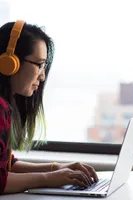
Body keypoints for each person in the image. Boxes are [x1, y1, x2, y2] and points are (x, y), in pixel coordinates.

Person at [0, 20, 98, 195]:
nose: (42, 76)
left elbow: (8, 164)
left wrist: (56, 168)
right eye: (39, 64)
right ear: (10, 62)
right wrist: (48, 178)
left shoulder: (5, 105)